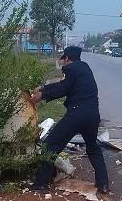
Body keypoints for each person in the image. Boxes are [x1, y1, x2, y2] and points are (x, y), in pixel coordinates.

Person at [29, 46, 109, 193]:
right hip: (93, 114)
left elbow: (63, 88)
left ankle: (41, 182)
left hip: (77, 113)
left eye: (64, 60)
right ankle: (103, 184)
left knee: (50, 144)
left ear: (67, 58)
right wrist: (43, 88)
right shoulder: (84, 68)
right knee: (93, 147)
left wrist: (43, 94)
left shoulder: (71, 69)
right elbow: (64, 85)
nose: (64, 63)